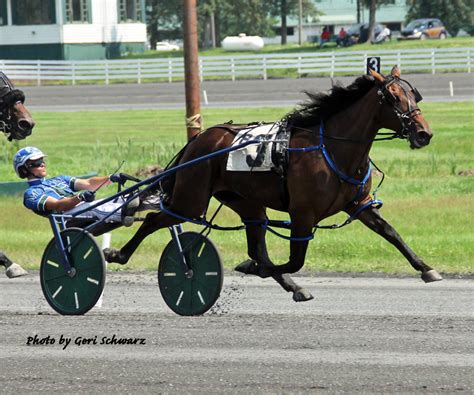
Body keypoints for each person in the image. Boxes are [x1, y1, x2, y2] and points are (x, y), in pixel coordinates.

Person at [13, 147, 137, 225]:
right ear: (24, 169)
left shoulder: (60, 179)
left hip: (83, 209)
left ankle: (144, 202)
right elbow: (58, 205)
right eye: (37, 162)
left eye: (43, 161)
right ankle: (123, 212)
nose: (42, 164)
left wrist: (110, 178)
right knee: (92, 206)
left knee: (123, 197)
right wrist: (79, 198)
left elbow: (88, 184)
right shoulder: (31, 194)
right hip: (68, 218)